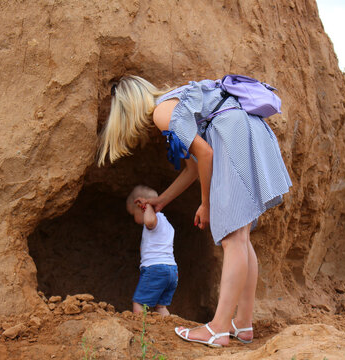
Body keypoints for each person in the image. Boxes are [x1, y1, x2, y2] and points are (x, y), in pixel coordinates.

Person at [98, 75, 292, 347]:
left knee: (232, 238)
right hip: (247, 131)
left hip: (233, 135)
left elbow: (206, 154)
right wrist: (162, 200)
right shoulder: (176, 102)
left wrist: (206, 203)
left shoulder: (162, 112)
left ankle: (218, 328)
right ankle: (243, 324)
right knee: (242, 236)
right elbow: (191, 169)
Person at [126, 185, 178, 316]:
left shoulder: (153, 220)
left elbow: (149, 221)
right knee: (160, 306)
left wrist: (147, 206)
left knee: (138, 303)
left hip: (156, 269)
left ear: (140, 206)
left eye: (133, 214)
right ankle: (167, 328)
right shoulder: (166, 223)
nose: (134, 219)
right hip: (172, 271)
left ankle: (140, 330)